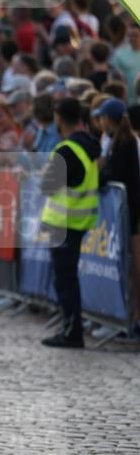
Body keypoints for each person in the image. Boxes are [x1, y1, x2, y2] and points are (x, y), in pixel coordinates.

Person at [40, 98, 100, 348]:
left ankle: (72, 332)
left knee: (65, 279)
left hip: (64, 221)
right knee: (68, 278)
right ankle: (71, 327)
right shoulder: (90, 146)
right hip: (80, 220)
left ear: (58, 117)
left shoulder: (66, 150)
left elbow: (49, 187)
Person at [97, 98, 140, 331]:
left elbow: (117, 174)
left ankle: (129, 319)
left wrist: (97, 179)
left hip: (129, 214)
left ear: (108, 119)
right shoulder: (116, 141)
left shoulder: (125, 142)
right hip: (124, 212)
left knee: (130, 268)